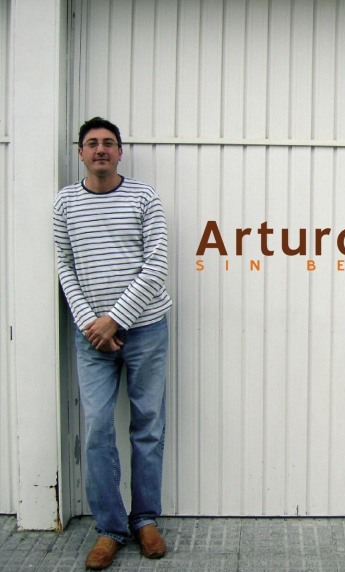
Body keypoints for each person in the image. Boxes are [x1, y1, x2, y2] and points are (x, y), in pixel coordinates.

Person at [53, 117, 172, 570]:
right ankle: (109, 528)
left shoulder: (144, 197)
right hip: (91, 337)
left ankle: (145, 520)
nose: (100, 149)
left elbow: (156, 263)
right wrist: (91, 323)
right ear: (80, 153)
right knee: (98, 428)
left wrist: (115, 319)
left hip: (146, 328)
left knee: (148, 425)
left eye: (108, 143)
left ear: (120, 152)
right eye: (92, 143)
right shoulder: (65, 202)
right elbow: (64, 265)